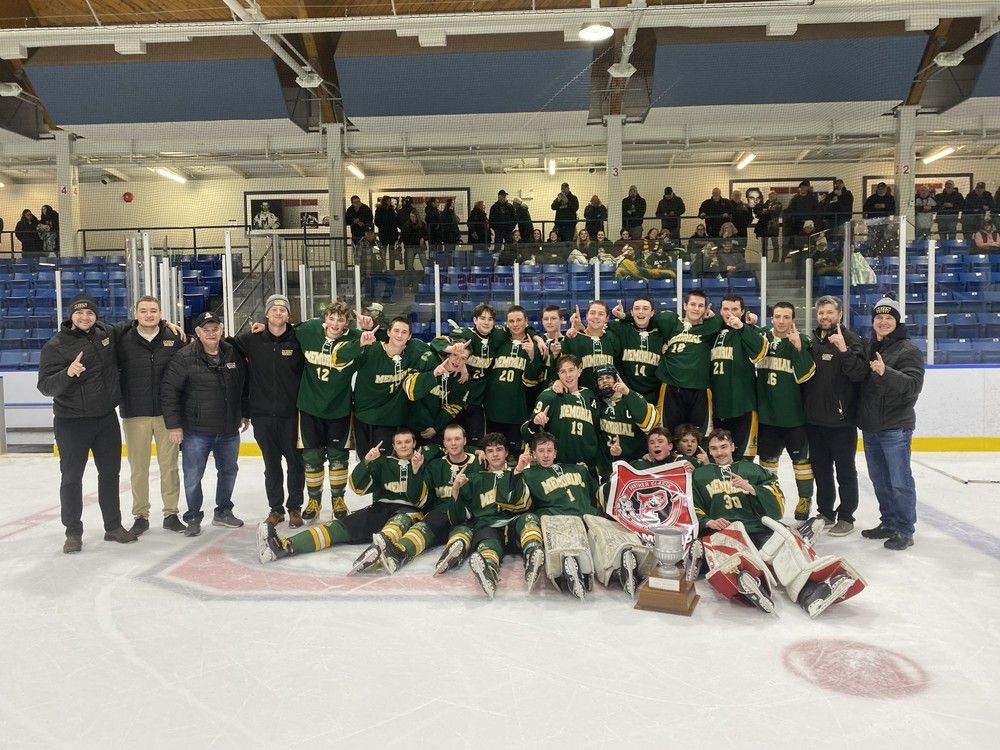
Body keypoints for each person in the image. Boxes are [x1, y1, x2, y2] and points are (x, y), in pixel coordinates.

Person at [693, 428, 862, 616]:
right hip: (726, 530)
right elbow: (691, 505)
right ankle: (750, 583)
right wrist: (708, 521)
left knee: (787, 552)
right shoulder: (700, 476)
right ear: (709, 451)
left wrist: (751, 488)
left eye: (724, 446)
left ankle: (811, 594)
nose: (719, 452)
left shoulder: (754, 470)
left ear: (733, 447)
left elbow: (777, 507)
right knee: (730, 558)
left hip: (759, 527)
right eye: (714, 448)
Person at [38, 294, 138, 553]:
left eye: (90, 313)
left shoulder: (105, 333)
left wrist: (166, 324)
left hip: (105, 418)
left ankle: (113, 526)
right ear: (71, 316)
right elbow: (45, 387)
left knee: (110, 475)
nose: (85, 317)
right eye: (80, 313)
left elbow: (132, 323)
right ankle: (73, 532)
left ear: (96, 316)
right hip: (71, 422)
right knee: (72, 478)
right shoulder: (55, 346)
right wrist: (67, 373)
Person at [257, 427, 429, 564]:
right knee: (337, 527)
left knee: (395, 526)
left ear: (414, 443)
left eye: (407, 442)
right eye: (399, 442)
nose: (403, 446)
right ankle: (284, 546)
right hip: (381, 507)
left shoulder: (424, 463)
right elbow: (357, 487)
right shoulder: (383, 463)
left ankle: (383, 550)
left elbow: (418, 499)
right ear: (394, 445)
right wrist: (367, 462)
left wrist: (415, 470)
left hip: (409, 511)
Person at [160, 311, 249, 537]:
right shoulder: (184, 356)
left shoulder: (232, 353)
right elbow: (169, 391)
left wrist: (244, 413)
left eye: (215, 329)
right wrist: (174, 425)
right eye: (206, 330)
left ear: (222, 330)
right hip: (196, 431)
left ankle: (223, 512)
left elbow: (243, 386)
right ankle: (193, 516)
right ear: (197, 333)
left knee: (228, 471)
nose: (211, 333)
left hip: (228, 429)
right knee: (193, 476)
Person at [351, 421, 480, 576]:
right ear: (444, 443)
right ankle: (397, 553)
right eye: (449, 439)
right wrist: (415, 471)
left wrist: (477, 450)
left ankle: (455, 551)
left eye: (457, 439)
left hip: (468, 514)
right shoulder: (434, 465)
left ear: (465, 441)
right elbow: (419, 499)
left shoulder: (479, 462)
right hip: (440, 512)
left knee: (462, 533)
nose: (453, 443)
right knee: (421, 528)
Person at [857, 297, 924, 551]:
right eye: (879, 317)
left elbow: (913, 386)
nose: (883, 322)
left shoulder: (908, 350)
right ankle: (888, 522)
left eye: (888, 318)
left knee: (899, 481)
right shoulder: (870, 346)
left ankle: (905, 530)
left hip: (895, 426)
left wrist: (887, 372)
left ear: (897, 321)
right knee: (880, 480)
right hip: (872, 426)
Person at [233, 294, 305, 528]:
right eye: (274, 309)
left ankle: (295, 508)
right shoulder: (252, 340)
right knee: (271, 466)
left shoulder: (298, 339)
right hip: (263, 416)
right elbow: (222, 343)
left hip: (292, 415)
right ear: (266, 314)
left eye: (283, 310)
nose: (278, 313)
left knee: (295, 464)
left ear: (288, 315)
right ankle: (276, 509)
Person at [116, 295, 186, 535]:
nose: (149, 315)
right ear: (135, 314)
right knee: (139, 469)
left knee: (170, 467)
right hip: (135, 414)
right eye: (144, 311)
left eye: (153, 310)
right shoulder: (123, 339)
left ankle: (171, 513)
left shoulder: (174, 338)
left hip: (168, 415)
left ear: (160, 313)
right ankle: (140, 515)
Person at [439, 434, 540, 599]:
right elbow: (459, 517)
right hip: (488, 526)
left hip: (514, 526)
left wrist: (518, 471)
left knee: (529, 518)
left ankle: (533, 555)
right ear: (484, 455)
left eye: (499, 450)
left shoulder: (518, 472)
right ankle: (488, 570)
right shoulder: (475, 478)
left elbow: (522, 504)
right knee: (487, 541)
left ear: (506, 452)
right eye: (490, 451)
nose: (495, 454)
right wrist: (456, 489)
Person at [803, 296, 868, 536]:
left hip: (842, 422)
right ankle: (826, 512)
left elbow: (860, 374)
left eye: (830, 312)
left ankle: (847, 516)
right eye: (821, 313)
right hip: (814, 421)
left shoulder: (852, 340)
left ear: (840, 314)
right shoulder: (811, 341)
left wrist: (843, 350)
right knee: (821, 470)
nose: (825, 317)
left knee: (845, 472)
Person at [290, 301, 360, 522]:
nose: (335, 323)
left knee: (339, 458)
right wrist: (263, 327)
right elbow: (282, 329)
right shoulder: (309, 330)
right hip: (310, 407)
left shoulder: (356, 338)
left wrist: (371, 328)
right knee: (312, 457)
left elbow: (385, 342)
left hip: (340, 408)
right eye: (332, 318)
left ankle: (338, 499)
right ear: (325, 318)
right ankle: (314, 500)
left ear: (347, 322)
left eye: (341, 319)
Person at [751, 301, 816, 521]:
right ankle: (771, 498)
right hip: (767, 416)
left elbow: (805, 375)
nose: (781, 321)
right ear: (772, 318)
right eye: (777, 316)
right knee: (768, 463)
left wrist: (798, 348)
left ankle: (805, 499)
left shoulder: (802, 340)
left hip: (794, 417)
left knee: (802, 462)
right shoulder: (762, 337)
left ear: (793, 320)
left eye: (786, 317)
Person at [339, 317, 436, 460]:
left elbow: (438, 350)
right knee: (365, 461)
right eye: (396, 331)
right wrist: (359, 343)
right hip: (363, 415)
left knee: (384, 463)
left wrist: (461, 366)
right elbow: (340, 358)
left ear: (409, 336)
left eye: (404, 332)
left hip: (390, 420)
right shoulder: (371, 349)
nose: (399, 335)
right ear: (388, 332)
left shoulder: (415, 350)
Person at [521, 355, 604, 474]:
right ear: (558, 375)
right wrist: (535, 423)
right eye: (563, 372)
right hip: (558, 467)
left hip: (587, 468)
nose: (568, 375)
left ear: (579, 371)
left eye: (571, 370)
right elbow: (525, 432)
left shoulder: (590, 396)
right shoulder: (549, 396)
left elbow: (596, 431)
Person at [710, 294, 767, 460]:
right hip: (716, 407)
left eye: (734, 309)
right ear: (720, 311)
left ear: (742, 312)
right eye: (726, 309)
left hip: (743, 406)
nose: (730, 313)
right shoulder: (712, 331)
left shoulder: (751, 330)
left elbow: (760, 352)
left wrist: (743, 327)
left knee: (743, 459)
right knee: (716, 458)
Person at [484, 306, 545, 456]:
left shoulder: (534, 346)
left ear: (526, 321)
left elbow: (534, 381)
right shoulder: (500, 341)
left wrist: (532, 355)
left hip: (518, 412)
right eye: (511, 321)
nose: (515, 324)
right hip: (494, 410)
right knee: (494, 454)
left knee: (517, 456)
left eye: (519, 320)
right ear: (507, 324)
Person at [592, 363, 657, 463]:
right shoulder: (596, 404)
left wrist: (627, 392)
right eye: (600, 379)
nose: (604, 381)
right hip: (610, 465)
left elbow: (650, 424)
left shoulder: (632, 398)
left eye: (608, 377)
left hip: (637, 463)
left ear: (617, 379)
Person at [562, 300, 620, 392]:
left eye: (601, 314)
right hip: (583, 395)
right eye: (592, 313)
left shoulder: (612, 338)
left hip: (609, 395)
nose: (596, 317)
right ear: (586, 315)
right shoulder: (573, 338)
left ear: (607, 318)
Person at [862, 182, 896, 248]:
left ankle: (882, 250)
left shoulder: (890, 198)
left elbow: (893, 210)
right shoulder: (871, 198)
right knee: (872, 238)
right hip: (873, 221)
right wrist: (874, 207)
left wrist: (884, 206)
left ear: (885, 189)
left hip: (884, 222)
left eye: (882, 189)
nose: (881, 190)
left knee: (883, 238)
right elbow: (865, 208)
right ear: (877, 189)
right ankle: (872, 250)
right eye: (879, 189)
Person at [754, 190, 782, 262]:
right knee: (764, 246)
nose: (771, 197)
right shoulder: (766, 203)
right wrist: (761, 211)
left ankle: (775, 260)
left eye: (772, 195)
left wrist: (763, 211)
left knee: (775, 245)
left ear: (775, 196)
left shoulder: (778, 204)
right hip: (764, 227)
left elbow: (773, 211)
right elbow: (758, 214)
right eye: (770, 195)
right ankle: (764, 260)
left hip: (773, 227)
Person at [374, 195, 400, 265]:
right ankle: (383, 267)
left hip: (390, 233)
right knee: (383, 252)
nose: (389, 202)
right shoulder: (380, 210)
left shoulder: (391, 210)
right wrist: (384, 226)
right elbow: (377, 221)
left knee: (391, 253)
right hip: (385, 233)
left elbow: (395, 221)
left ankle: (392, 267)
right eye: (388, 201)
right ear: (384, 201)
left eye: (389, 201)